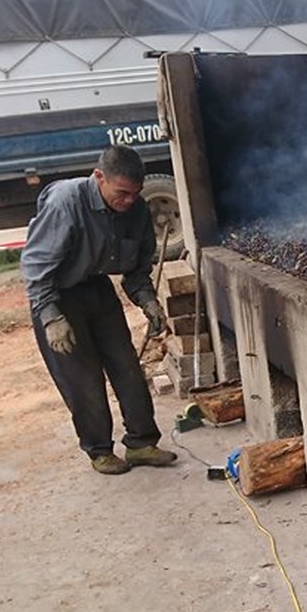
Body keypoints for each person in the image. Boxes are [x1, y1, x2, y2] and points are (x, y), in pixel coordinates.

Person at [21, 146, 178, 474]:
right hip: (58, 294)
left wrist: (147, 301)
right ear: (98, 178)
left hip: (96, 288)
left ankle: (141, 443)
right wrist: (50, 316)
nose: (129, 201)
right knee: (84, 380)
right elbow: (35, 266)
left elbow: (136, 269)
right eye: (121, 193)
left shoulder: (135, 208)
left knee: (128, 369)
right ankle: (99, 451)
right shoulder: (65, 203)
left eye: (135, 194)